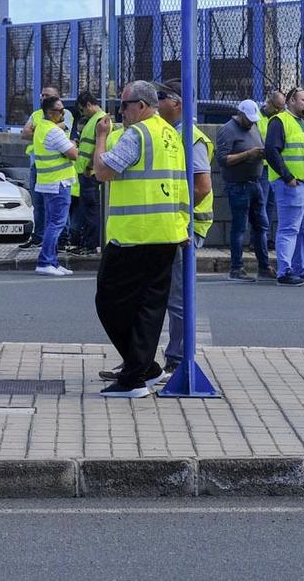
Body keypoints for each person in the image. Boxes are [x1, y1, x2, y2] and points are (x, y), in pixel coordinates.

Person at [93, 80, 193, 397]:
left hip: (135, 236)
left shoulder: (137, 134)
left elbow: (103, 171)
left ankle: (135, 376)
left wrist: (101, 138)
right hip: (167, 234)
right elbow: (180, 186)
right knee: (149, 307)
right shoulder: (170, 136)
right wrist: (185, 226)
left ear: (142, 106)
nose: (120, 111)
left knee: (109, 302)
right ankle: (145, 369)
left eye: (124, 105)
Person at [160, 84, 215, 374]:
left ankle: (179, 359)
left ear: (177, 103)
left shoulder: (189, 137)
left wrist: (175, 212)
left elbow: (202, 187)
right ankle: (174, 356)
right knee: (172, 293)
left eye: (160, 99)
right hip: (175, 224)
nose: (156, 104)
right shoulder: (173, 133)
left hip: (185, 226)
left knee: (178, 296)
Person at [264, 88, 304, 285]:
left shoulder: (302, 123)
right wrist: (287, 177)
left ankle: (299, 268)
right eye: (303, 100)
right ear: (291, 101)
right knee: (289, 229)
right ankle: (284, 271)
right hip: (293, 185)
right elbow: (271, 151)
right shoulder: (280, 121)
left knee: (303, 230)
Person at [217, 100, 273, 280]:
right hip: (238, 185)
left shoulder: (254, 127)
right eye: (248, 119)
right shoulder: (228, 130)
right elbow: (223, 160)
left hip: (255, 182)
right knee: (240, 227)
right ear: (240, 114)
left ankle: (264, 266)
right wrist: (248, 154)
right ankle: (236, 268)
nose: (252, 123)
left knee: (261, 226)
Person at [26, 97, 78, 275]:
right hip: (58, 183)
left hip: (48, 182)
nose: (63, 113)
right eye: (60, 111)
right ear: (49, 112)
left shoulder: (41, 127)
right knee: (57, 224)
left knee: (51, 223)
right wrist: (73, 144)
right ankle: (46, 261)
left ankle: (53, 262)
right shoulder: (54, 132)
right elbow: (73, 154)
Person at [68, 92, 110, 254]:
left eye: (82, 110)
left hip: (90, 174)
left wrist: (89, 167)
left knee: (91, 211)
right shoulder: (94, 120)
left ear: (88, 105)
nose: (82, 114)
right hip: (85, 173)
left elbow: (99, 145)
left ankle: (91, 245)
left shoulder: (101, 120)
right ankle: (87, 243)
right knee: (87, 210)